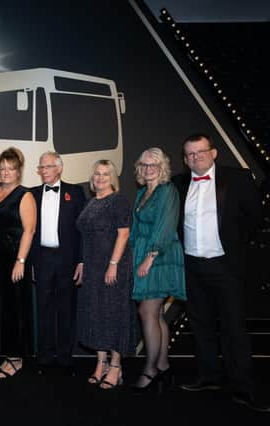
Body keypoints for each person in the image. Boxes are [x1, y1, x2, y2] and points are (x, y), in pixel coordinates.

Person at [173, 133, 268, 412]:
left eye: (200, 152)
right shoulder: (179, 183)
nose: (195, 158)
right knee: (200, 325)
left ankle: (242, 387)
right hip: (192, 266)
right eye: (189, 154)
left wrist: (234, 247)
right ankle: (209, 377)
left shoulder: (237, 178)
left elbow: (254, 217)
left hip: (225, 267)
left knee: (233, 329)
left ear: (213, 153)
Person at [129, 148, 186, 393]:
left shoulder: (167, 191)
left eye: (153, 164)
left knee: (147, 311)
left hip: (160, 256)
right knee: (157, 315)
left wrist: (149, 257)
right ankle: (163, 366)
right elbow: (134, 228)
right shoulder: (142, 192)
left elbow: (165, 226)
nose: (148, 168)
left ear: (162, 167)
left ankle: (150, 369)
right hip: (143, 254)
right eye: (144, 164)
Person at [76, 159, 135, 390]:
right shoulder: (90, 203)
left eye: (105, 174)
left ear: (113, 178)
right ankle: (101, 363)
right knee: (96, 314)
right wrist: (82, 262)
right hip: (91, 267)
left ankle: (116, 367)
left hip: (113, 265)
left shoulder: (117, 200)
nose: (100, 178)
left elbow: (123, 234)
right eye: (97, 174)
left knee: (115, 314)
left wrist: (113, 264)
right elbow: (85, 236)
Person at [30, 151, 85, 377]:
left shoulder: (75, 192)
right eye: (41, 167)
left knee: (66, 309)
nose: (44, 171)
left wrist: (82, 261)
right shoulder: (31, 194)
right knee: (43, 308)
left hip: (68, 259)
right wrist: (30, 261)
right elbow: (29, 231)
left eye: (48, 166)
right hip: (42, 258)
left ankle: (64, 356)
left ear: (59, 168)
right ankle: (44, 356)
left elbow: (83, 231)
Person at [0, 147, 37, 379]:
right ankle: (3, 353)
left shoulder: (24, 195)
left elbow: (29, 230)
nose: (6, 172)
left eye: (11, 169)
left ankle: (16, 358)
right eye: (3, 168)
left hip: (14, 259)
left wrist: (21, 261)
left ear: (19, 172)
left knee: (15, 309)